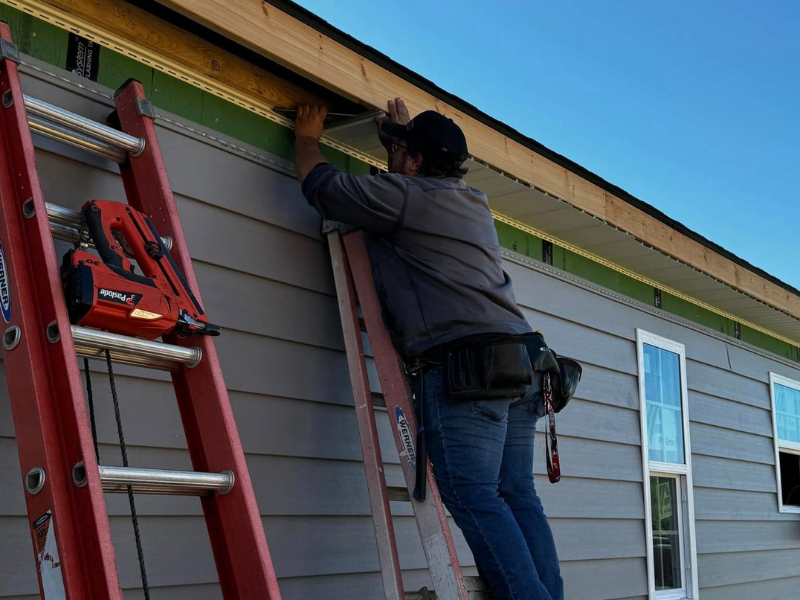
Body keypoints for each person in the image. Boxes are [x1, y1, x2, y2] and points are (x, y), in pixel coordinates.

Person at [293, 99, 563, 600]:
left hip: (468, 369)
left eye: (400, 152)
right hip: (524, 362)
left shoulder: (404, 197)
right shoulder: (470, 200)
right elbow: (410, 186)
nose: (393, 157)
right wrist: (399, 141)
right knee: (515, 493)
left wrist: (307, 138)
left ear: (414, 162)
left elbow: (323, 187)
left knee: (471, 494)